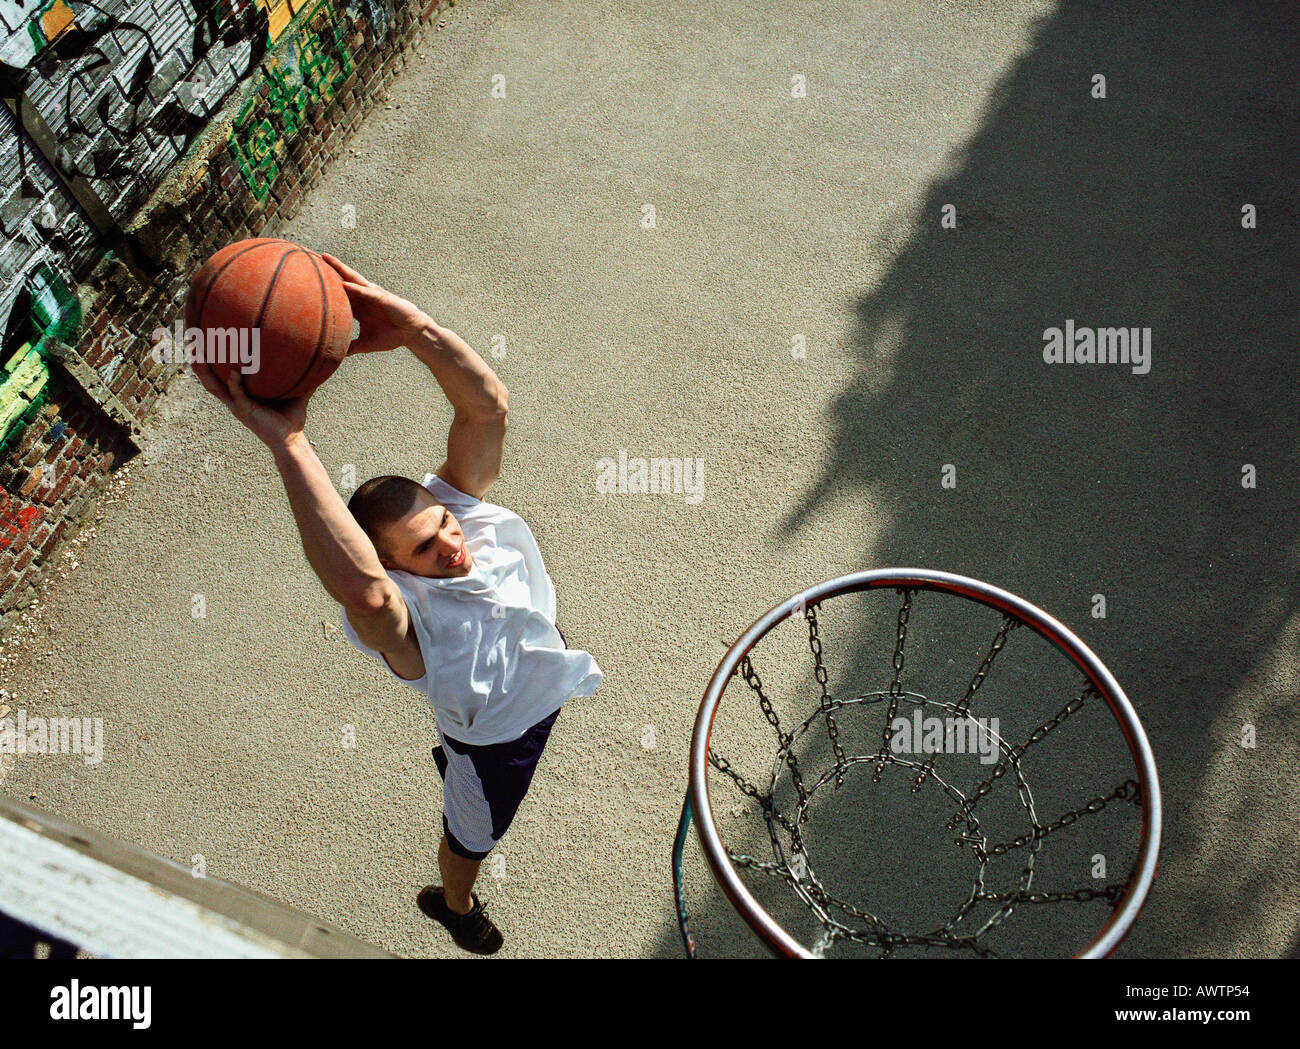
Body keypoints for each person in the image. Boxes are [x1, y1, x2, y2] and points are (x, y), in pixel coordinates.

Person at [193, 253, 602, 955]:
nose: (450, 544)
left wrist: (415, 327)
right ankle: (453, 902)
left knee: (474, 452)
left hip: (546, 677)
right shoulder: (410, 626)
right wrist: (288, 441)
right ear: (392, 565)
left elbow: (487, 405)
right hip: (495, 746)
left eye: (444, 524)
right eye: (423, 548)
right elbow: (363, 591)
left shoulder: (459, 513)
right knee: (472, 838)